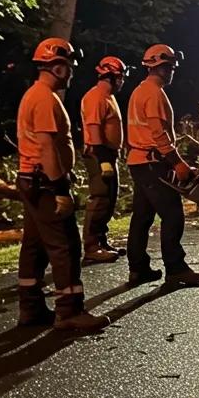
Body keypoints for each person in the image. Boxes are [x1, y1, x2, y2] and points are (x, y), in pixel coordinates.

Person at [15, 38, 109, 333]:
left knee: (34, 246)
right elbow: (46, 147)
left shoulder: (35, 95)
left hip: (31, 180)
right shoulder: (44, 99)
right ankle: (69, 310)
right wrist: (59, 189)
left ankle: (30, 308)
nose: (70, 74)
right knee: (65, 245)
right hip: (44, 183)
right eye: (68, 68)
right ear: (57, 67)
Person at [126, 44, 199, 289]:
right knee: (173, 215)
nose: (173, 71)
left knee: (142, 217)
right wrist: (178, 164)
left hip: (140, 160)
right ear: (161, 68)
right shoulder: (153, 93)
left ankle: (138, 268)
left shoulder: (141, 91)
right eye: (171, 67)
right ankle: (176, 269)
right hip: (152, 162)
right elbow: (158, 133)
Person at [80, 56, 128, 264]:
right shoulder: (96, 97)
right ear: (111, 76)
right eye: (120, 77)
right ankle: (91, 247)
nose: (122, 81)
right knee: (100, 199)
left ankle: (101, 241)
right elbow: (93, 128)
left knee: (109, 199)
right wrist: (102, 159)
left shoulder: (108, 96)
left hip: (109, 153)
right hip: (99, 154)